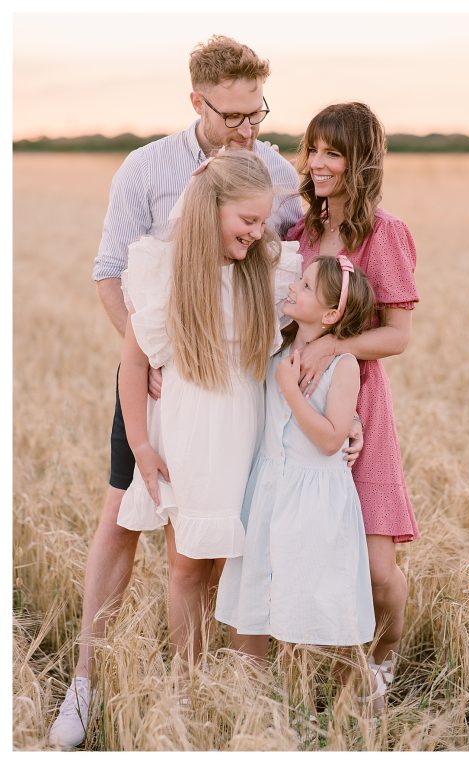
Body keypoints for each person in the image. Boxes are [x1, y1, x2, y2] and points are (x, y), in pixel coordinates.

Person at [50, 35, 306, 748]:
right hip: (160, 374)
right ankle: (86, 681)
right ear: (196, 102)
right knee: (123, 521)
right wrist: (152, 356)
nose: (247, 129)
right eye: (232, 117)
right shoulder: (147, 169)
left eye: (257, 113)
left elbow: (293, 270)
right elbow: (110, 272)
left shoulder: (275, 171)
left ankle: (225, 689)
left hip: (238, 389)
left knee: (222, 537)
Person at [116, 150, 302, 682]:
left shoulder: (265, 273)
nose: (257, 232)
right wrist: (141, 447)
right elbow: (132, 364)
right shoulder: (163, 271)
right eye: (247, 220)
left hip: (250, 438)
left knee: (245, 566)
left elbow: (311, 344)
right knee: (188, 566)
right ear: (209, 210)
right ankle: (187, 684)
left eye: (263, 221)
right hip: (189, 440)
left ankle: (246, 688)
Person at [284, 102, 419, 702]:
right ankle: (334, 664)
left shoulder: (384, 234)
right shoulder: (299, 232)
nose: (317, 163)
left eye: (333, 152)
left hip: (364, 407)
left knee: (375, 566)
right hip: (301, 402)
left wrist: (335, 344)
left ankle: (385, 657)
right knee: (316, 550)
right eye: (313, 149)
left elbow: (397, 334)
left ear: (360, 162)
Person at [216, 255, 377, 721]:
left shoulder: (343, 365)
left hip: (313, 501)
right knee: (256, 592)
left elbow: (330, 439)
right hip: (269, 489)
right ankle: (251, 705)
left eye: (305, 286)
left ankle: (316, 708)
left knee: (304, 601)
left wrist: (291, 391)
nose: (294, 288)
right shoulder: (278, 346)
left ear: (330, 316)